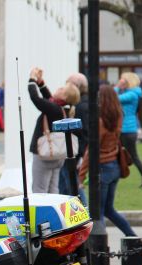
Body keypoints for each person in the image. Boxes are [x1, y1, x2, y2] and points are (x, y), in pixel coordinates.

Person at [79, 86, 135, 236]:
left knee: (97, 213)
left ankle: (99, 248)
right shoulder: (118, 116)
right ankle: (132, 236)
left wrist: (81, 175)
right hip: (114, 166)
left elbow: (91, 150)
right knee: (108, 210)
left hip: (102, 169)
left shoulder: (100, 122)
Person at [28, 67, 80, 193]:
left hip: (45, 155)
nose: (59, 88)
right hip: (57, 156)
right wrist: (41, 83)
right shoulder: (64, 108)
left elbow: (36, 98)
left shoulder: (54, 109)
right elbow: (49, 98)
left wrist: (32, 79)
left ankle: (40, 212)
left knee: (39, 189)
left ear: (65, 96)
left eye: (62, 89)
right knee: (53, 188)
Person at [115, 72, 142, 183]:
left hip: (127, 129)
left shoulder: (132, 94)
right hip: (125, 129)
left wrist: (117, 87)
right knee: (118, 154)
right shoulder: (131, 92)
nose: (121, 81)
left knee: (133, 156)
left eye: (123, 80)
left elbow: (113, 98)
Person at [63, 72, 89, 202]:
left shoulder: (81, 107)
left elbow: (84, 133)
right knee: (67, 184)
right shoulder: (82, 105)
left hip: (76, 152)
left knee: (73, 185)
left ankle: (84, 213)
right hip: (78, 151)